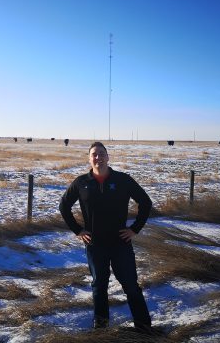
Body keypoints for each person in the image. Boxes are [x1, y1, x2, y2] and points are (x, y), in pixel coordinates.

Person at [59, 141, 152, 331]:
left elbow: (145, 202)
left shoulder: (123, 180)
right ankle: (101, 330)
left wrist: (135, 229)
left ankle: (144, 328)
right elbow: (64, 206)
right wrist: (78, 230)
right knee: (99, 287)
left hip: (121, 243)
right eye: (94, 154)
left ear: (108, 157)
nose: (98, 157)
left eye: (102, 154)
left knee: (131, 287)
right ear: (89, 158)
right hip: (95, 245)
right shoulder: (81, 183)